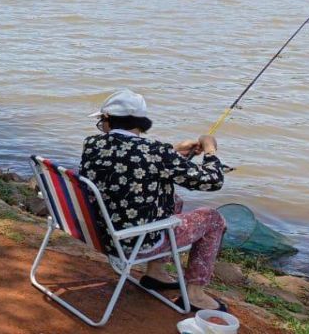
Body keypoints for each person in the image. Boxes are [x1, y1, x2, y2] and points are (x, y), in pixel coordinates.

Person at [80, 89, 228, 312]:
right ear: (140, 122)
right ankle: (196, 295)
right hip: (133, 243)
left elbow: (131, 157)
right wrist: (210, 149)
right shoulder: (156, 153)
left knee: (173, 199)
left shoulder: (92, 144)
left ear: (108, 119)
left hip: (98, 232)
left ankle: (156, 273)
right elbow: (212, 181)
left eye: (102, 121)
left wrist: (173, 151)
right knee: (213, 219)